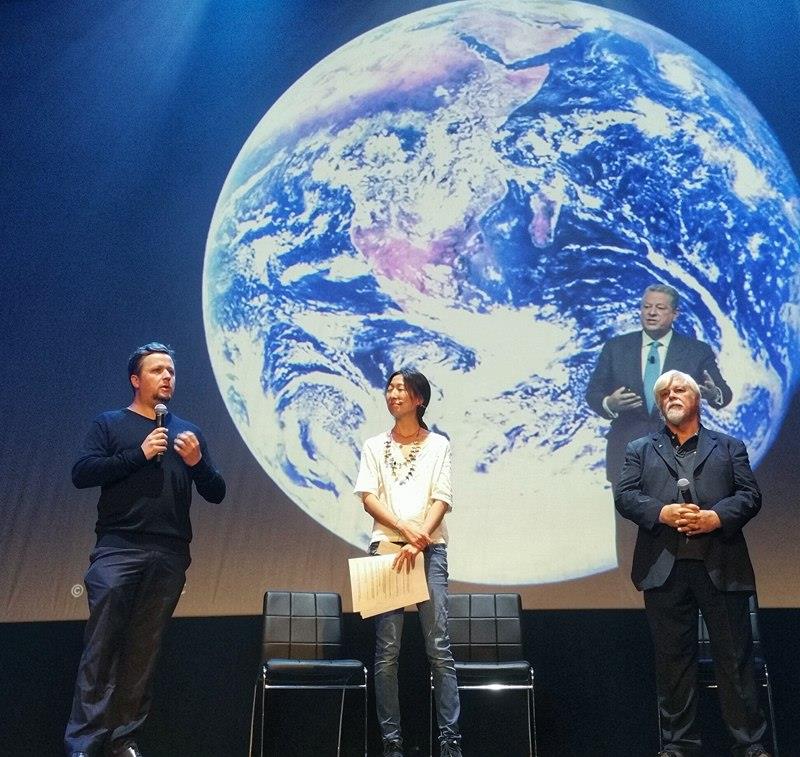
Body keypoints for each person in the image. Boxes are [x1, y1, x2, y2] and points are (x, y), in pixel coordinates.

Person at [65, 343, 226, 757]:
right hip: (118, 549)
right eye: (157, 370)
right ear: (136, 380)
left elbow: (216, 492)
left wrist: (198, 464)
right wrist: (137, 454)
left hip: (169, 554)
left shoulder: (187, 433)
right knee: (102, 647)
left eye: (171, 370)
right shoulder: (110, 424)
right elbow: (82, 473)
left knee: (143, 651)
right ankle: (84, 743)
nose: (167, 377)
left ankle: (123, 739)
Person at [615, 370, 770, 757]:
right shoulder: (640, 448)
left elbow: (750, 496)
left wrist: (715, 517)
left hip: (721, 567)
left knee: (735, 661)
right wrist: (663, 512)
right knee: (673, 663)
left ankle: (749, 744)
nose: (671, 395)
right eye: (663, 392)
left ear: (697, 398)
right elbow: (626, 496)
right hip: (664, 568)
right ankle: (679, 745)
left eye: (679, 389)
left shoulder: (729, 446)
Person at [354, 369, 462, 757]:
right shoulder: (373, 445)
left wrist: (419, 542)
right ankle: (392, 744)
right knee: (387, 650)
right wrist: (403, 529)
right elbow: (367, 496)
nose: (393, 393)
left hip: (429, 551)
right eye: (390, 387)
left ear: (419, 398)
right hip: (387, 548)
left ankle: (450, 743)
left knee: (438, 645)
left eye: (402, 388)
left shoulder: (438, 445)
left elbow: (442, 498)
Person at [586, 283, 732, 487]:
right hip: (627, 456)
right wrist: (609, 403)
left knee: (675, 519)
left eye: (660, 308)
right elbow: (593, 392)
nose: (651, 313)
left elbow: (724, 393)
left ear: (675, 313)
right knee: (628, 519)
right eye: (646, 307)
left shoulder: (696, 351)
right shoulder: (615, 348)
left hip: (679, 458)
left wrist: (712, 393)